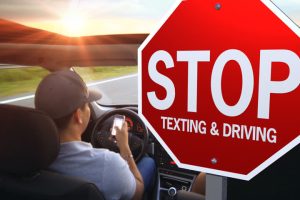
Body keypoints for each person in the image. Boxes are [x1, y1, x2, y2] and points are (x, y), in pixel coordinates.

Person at [35, 69, 156, 200]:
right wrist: (124, 146)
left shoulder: (27, 158)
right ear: (78, 115)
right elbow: (138, 192)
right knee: (148, 162)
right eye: (87, 105)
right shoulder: (108, 164)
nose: (89, 109)